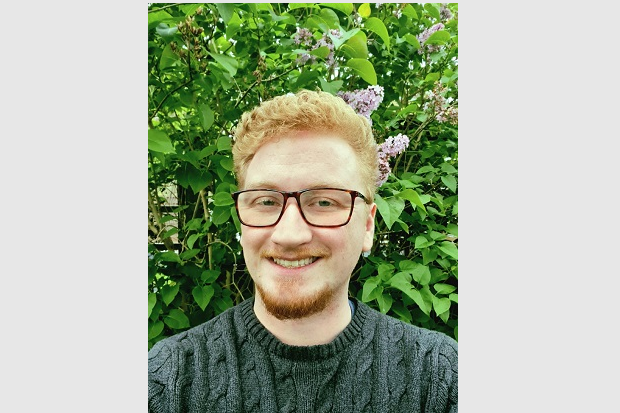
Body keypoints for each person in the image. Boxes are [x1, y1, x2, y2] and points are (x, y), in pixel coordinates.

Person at [148, 89, 458, 412]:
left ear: (367, 227)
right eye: (266, 201)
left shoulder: (441, 381)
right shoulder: (166, 383)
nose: (290, 235)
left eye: (324, 202)